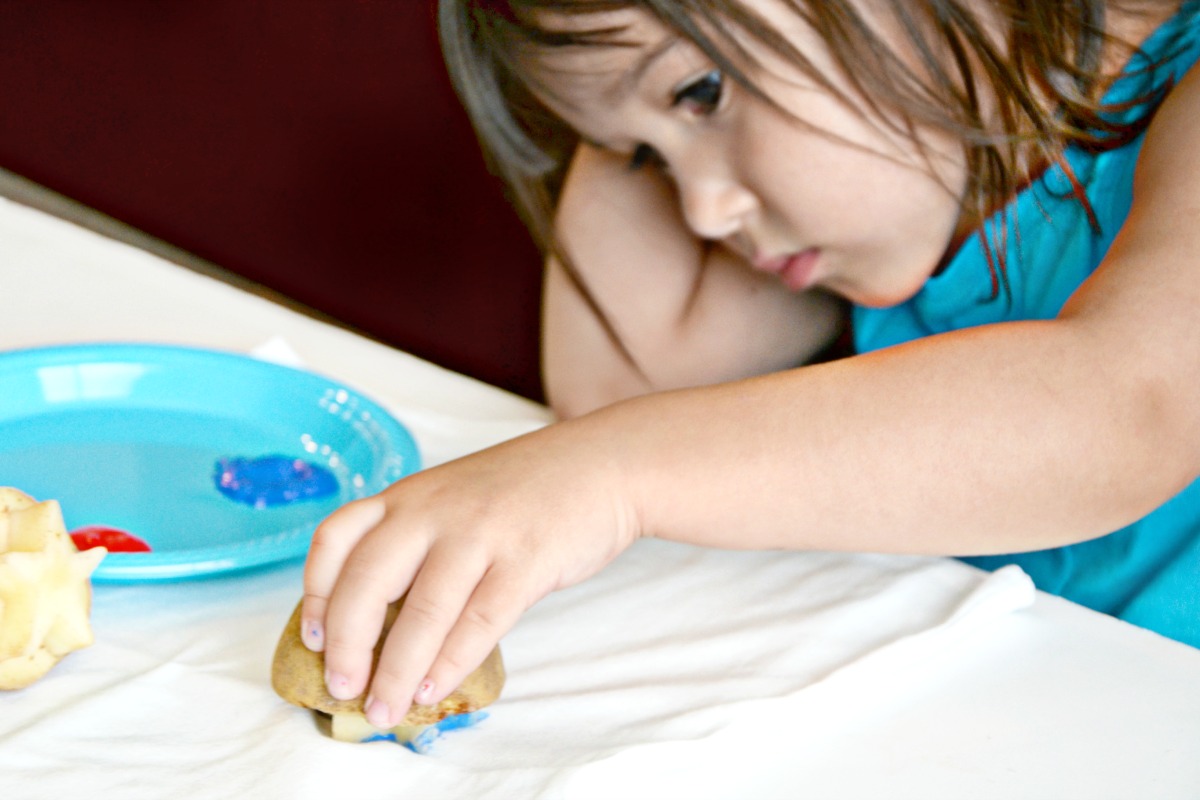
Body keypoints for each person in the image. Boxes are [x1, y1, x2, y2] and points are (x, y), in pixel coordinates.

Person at [300, 0, 1200, 730]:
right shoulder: (915, 177)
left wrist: (612, 475)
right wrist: (623, 91)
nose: (700, 210)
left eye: (701, 93)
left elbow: (1126, 408)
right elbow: (622, 384)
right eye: (648, 160)